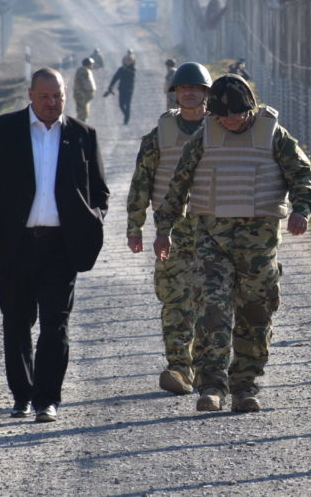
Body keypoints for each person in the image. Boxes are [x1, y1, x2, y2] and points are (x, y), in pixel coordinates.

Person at [153, 74, 311, 413]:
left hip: (258, 245)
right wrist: (163, 229)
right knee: (212, 312)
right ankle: (211, 386)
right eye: (223, 116)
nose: (230, 121)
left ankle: (245, 385)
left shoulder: (273, 135)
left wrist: (302, 210)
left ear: (251, 109)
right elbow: (177, 185)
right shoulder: (206, 137)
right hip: (212, 240)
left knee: (255, 313)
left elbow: (303, 176)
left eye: (237, 115)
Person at [0, 67, 110, 423]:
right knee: (16, 322)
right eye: (44, 96)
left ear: (66, 95)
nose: (52, 103)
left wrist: (91, 221)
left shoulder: (82, 134)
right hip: (14, 245)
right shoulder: (2, 130)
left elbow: (100, 191)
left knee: (55, 325)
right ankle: (22, 395)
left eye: (58, 96)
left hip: (61, 247)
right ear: (30, 94)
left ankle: (48, 399)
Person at [126, 62, 213, 396]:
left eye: (195, 88)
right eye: (182, 89)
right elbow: (141, 182)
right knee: (175, 298)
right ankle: (179, 367)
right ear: (175, 93)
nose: (188, 93)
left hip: (213, 229)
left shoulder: (222, 130)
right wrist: (135, 227)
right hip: (172, 229)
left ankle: (209, 369)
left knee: (213, 300)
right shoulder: (159, 135)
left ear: (206, 93)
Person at [105, 50, 136, 125]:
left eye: (130, 61)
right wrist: (110, 87)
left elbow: (132, 76)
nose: (128, 62)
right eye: (127, 61)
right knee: (121, 105)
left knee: (128, 105)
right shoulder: (121, 69)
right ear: (124, 61)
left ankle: (126, 120)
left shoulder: (132, 70)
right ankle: (126, 115)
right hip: (122, 89)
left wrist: (126, 69)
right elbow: (115, 78)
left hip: (129, 90)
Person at [73, 57, 97, 122]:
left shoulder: (86, 70)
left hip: (85, 96)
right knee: (82, 113)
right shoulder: (82, 70)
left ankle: (81, 126)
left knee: (84, 113)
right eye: (91, 64)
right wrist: (82, 93)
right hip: (82, 95)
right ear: (88, 64)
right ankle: (79, 127)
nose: (92, 65)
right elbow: (80, 82)